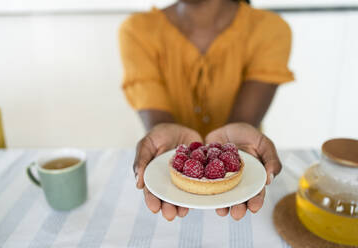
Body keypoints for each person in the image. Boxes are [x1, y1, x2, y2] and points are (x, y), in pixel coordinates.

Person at [119, 0, 294, 221]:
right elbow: (159, 122)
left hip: (245, 180)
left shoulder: (270, 29)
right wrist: (164, 135)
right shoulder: (138, 30)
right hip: (168, 186)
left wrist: (232, 146)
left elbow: (242, 124)